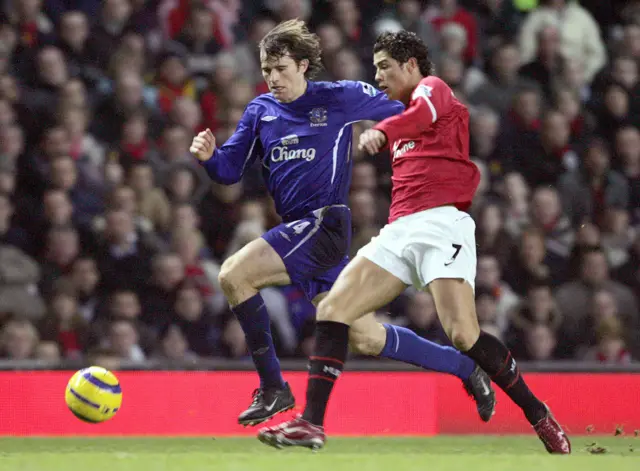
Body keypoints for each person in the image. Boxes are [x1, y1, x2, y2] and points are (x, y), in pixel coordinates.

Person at [257, 30, 571, 454]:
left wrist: (384, 130)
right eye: (375, 68)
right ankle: (311, 423)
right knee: (333, 310)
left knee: (463, 335)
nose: (378, 75)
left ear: (410, 65)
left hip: (442, 223)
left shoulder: (432, 90)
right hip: (399, 229)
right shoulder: (401, 107)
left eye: (384, 66)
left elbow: (420, 117)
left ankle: (539, 415)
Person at [190, 20, 495, 427]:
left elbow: (408, 107)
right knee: (366, 336)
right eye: (267, 71)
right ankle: (465, 369)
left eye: (281, 69)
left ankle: (273, 388)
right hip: (299, 232)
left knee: (234, 274)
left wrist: (424, 133)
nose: (273, 78)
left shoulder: (340, 97)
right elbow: (229, 170)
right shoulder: (259, 111)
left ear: (302, 66)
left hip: (324, 224)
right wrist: (210, 157)